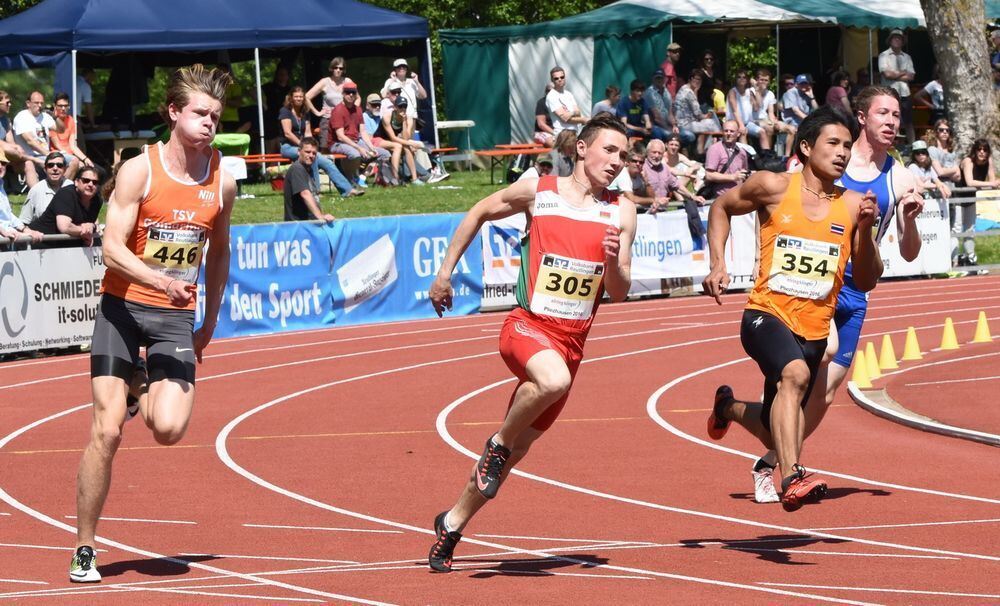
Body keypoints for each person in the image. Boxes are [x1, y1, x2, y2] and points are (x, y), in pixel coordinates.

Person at [426, 113, 636, 572]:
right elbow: (480, 210)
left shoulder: (621, 210)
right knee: (546, 388)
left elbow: (619, 291)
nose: (617, 162)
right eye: (610, 150)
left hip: (572, 344)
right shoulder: (539, 191)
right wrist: (445, 274)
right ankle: (497, 443)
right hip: (527, 326)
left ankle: (452, 523)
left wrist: (612, 262)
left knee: (516, 454)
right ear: (581, 149)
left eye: (624, 155)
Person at [69, 64, 236, 583]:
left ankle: (142, 383)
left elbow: (219, 253)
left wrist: (209, 320)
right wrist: (159, 280)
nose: (209, 123)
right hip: (122, 309)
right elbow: (111, 248)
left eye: (215, 116)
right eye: (200, 114)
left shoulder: (221, 182)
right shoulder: (141, 170)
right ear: (173, 113)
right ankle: (85, 547)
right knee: (107, 430)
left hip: (174, 320)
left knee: (168, 429)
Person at [745, 87, 924, 505]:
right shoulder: (831, 156)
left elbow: (910, 250)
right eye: (883, 113)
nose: (892, 122)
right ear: (862, 117)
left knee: (825, 395)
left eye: (897, 115)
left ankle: (768, 459)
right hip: (812, 288)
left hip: (855, 292)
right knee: (818, 358)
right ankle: (790, 471)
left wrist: (910, 221)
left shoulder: (900, 177)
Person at [703, 106, 882, 511]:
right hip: (766, 314)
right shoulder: (772, 185)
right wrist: (717, 262)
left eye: (848, 147)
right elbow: (721, 208)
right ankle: (792, 477)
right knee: (796, 375)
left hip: (815, 328)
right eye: (833, 143)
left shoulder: (854, 205)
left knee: (776, 431)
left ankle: (727, 407)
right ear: (805, 147)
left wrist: (867, 231)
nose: (842, 153)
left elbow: (868, 279)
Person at [279, 86, 358, 198]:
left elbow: (307, 133)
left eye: (301, 97)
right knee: (313, 156)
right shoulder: (285, 111)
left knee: (327, 162)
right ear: (291, 98)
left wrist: (312, 146)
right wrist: (304, 147)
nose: (299, 99)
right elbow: (288, 133)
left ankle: (347, 190)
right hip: (288, 147)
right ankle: (315, 191)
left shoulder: (304, 113)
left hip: (303, 146)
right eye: (296, 97)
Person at [329, 84, 393, 185]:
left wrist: (371, 147)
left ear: (356, 94)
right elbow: (340, 136)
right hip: (337, 143)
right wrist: (359, 148)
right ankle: (351, 179)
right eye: (348, 92)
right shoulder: (338, 110)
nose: (350, 95)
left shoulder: (358, 110)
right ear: (343, 94)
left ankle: (382, 180)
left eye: (353, 92)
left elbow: (363, 132)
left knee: (385, 154)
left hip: (356, 141)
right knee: (355, 154)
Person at [28, 165, 103, 245]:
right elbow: (65, 227)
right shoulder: (66, 194)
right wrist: (85, 231)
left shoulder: (97, 200)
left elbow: (88, 224)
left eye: (95, 182)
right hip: (40, 243)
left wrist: (92, 226)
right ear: (76, 182)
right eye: (86, 180)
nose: (90, 184)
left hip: (66, 246)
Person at [643, 139, 706, 225]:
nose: (657, 155)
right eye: (654, 152)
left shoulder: (664, 168)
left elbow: (677, 185)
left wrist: (693, 197)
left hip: (662, 213)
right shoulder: (641, 167)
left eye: (659, 153)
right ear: (647, 152)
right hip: (643, 214)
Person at [956, 139, 999, 266]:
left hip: (970, 199)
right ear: (974, 150)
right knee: (956, 230)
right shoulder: (968, 161)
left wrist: (994, 182)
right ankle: (952, 261)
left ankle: (970, 258)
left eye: (985, 150)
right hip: (957, 198)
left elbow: (992, 180)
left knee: (970, 229)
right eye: (979, 149)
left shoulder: (988, 161)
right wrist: (991, 183)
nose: (982, 152)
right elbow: (970, 182)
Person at [305, 57, 354, 151]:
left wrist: (351, 112)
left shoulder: (347, 81)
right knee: (325, 149)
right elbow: (306, 97)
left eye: (341, 68)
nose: (338, 70)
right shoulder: (325, 81)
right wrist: (317, 112)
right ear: (331, 68)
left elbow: (357, 98)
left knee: (347, 149)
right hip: (328, 120)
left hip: (345, 122)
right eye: (335, 67)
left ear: (344, 70)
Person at [878, 29, 916, 144]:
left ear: (902, 41)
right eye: (894, 37)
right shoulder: (883, 55)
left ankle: (912, 145)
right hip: (889, 93)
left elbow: (911, 76)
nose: (897, 40)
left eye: (899, 38)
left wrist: (894, 75)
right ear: (890, 40)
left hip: (905, 93)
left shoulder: (907, 57)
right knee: (891, 120)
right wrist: (902, 72)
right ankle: (892, 145)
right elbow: (886, 74)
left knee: (909, 121)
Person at [284, 137, 336, 222]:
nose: (311, 155)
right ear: (299, 151)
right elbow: (305, 194)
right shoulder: (297, 169)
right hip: (298, 226)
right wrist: (320, 217)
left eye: (314, 153)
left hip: (309, 223)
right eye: (307, 152)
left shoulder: (308, 169)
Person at [13, 91, 56, 188]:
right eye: (36, 103)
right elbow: (30, 141)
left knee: (74, 162)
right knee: (29, 164)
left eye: (41, 103)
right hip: (27, 157)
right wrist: (49, 154)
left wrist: (57, 116)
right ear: (28, 103)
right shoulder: (21, 117)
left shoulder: (45, 116)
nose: (40, 105)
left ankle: (60, 194)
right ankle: (38, 198)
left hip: (45, 155)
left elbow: (60, 129)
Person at [0, 149, 44, 243]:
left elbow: (7, 215)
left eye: (3, 163)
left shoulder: (1, 185)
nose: (0, 166)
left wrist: (25, 229)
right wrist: (4, 232)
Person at [674, 70, 721, 156]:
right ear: (690, 79)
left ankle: (702, 152)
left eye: (700, 80)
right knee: (712, 123)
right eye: (696, 79)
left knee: (707, 125)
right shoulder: (689, 93)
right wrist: (707, 115)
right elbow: (698, 115)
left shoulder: (683, 88)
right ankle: (716, 151)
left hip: (684, 123)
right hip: (685, 125)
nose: (698, 81)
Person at [19, 151, 72, 224]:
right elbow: (24, 220)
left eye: (59, 165)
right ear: (45, 169)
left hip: (68, 234)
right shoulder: (36, 190)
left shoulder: (72, 188)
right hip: (44, 234)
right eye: (50, 165)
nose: (55, 168)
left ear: (65, 169)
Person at [703, 120, 750, 198]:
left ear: (738, 134)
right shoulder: (715, 149)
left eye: (732, 131)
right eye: (726, 131)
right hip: (720, 197)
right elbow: (709, 175)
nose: (728, 133)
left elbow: (744, 172)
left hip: (739, 195)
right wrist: (733, 177)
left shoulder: (742, 152)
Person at [50, 93, 91, 177]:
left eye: (65, 106)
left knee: (96, 170)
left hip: (70, 155)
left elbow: (73, 146)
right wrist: (73, 158)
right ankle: (63, 188)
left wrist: (85, 158)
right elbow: (57, 145)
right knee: (80, 168)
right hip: (57, 154)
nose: (63, 108)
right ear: (55, 106)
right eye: (60, 106)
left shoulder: (70, 120)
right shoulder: (51, 121)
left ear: (69, 106)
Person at [380, 58, 427, 131]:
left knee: (410, 141)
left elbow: (424, 96)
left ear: (406, 69)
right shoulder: (390, 81)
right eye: (399, 67)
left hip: (411, 117)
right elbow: (383, 95)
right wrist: (392, 80)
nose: (401, 68)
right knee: (399, 141)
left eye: (404, 67)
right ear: (395, 70)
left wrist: (417, 82)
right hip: (397, 118)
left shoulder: (412, 81)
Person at [545, 66, 587, 136]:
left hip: (574, 133)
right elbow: (564, 118)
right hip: (562, 135)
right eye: (556, 78)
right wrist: (583, 120)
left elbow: (578, 113)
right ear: (552, 80)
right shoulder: (551, 96)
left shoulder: (569, 94)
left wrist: (570, 114)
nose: (560, 79)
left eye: (562, 77)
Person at [927, 119, 961, 184]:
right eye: (941, 130)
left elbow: (958, 177)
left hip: (951, 187)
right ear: (936, 131)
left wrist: (946, 172)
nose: (945, 132)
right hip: (937, 188)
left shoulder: (951, 151)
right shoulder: (932, 149)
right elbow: (940, 172)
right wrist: (955, 170)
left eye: (947, 130)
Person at [645, 69, 678, 136]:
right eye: (657, 78)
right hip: (656, 125)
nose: (659, 80)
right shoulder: (649, 93)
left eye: (661, 78)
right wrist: (668, 129)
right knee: (670, 135)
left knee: (688, 135)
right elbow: (657, 117)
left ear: (665, 79)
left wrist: (674, 126)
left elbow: (670, 113)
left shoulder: (666, 91)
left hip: (667, 124)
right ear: (653, 79)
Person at [726, 70, 756, 144]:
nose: (742, 79)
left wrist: (756, 88)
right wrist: (741, 125)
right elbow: (735, 111)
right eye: (739, 77)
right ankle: (744, 154)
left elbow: (756, 108)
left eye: (744, 77)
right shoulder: (732, 92)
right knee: (743, 133)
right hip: (734, 122)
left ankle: (766, 154)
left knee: (762, 132)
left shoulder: (749, 92)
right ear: (736, 79)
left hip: (748, 122)